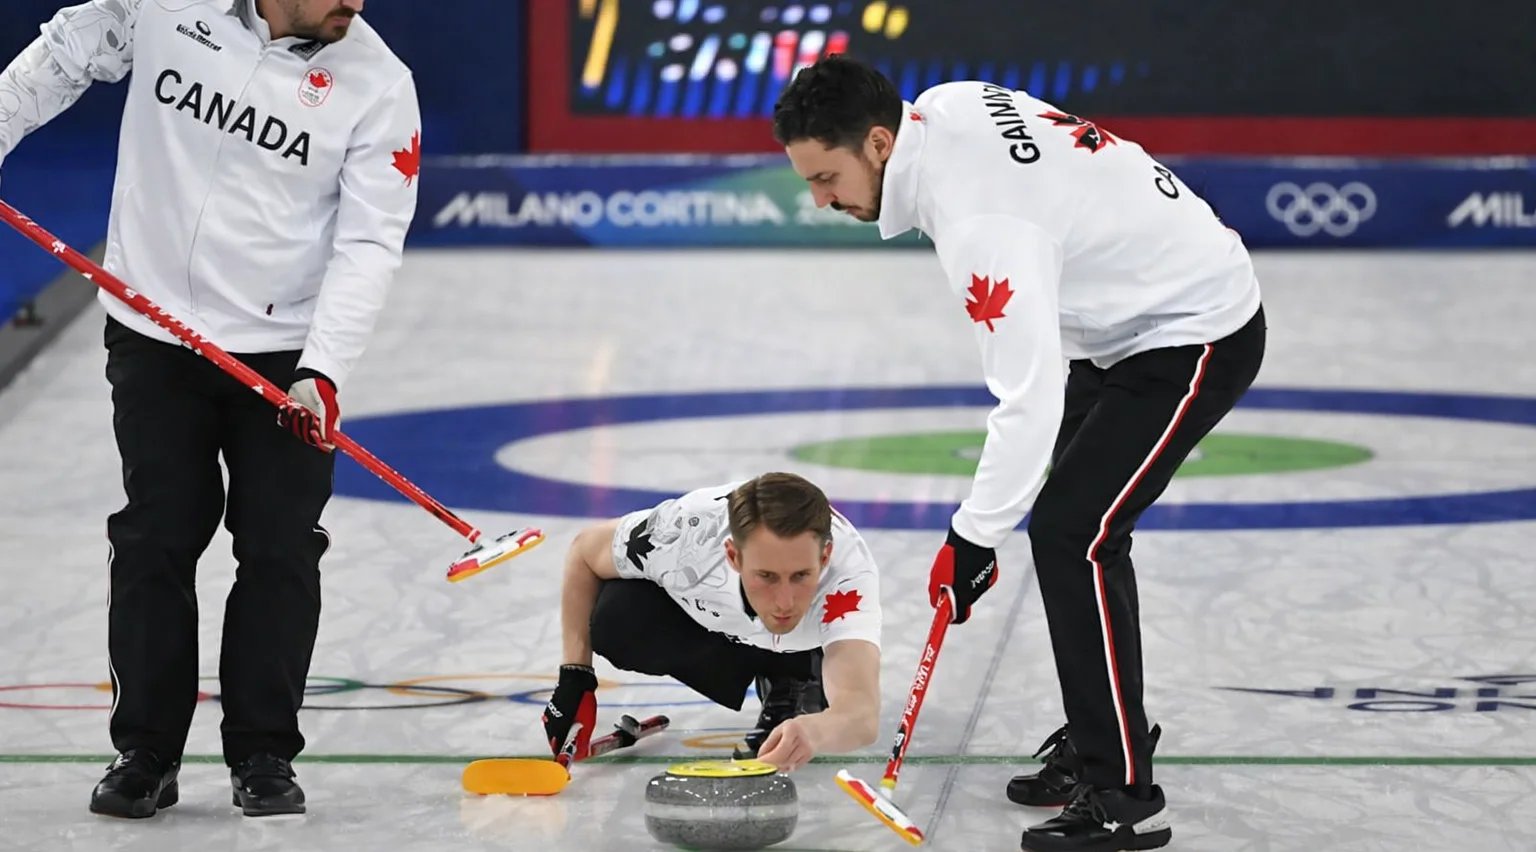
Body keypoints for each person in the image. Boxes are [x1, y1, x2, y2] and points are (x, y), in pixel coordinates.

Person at [772, 56, 1266, 852]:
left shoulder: (980, 228)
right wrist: (983, 532)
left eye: (827, 178)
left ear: (876, 142)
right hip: (1117, 327)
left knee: (1076, 533)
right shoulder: (941, 108)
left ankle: (1122, 791)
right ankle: (1102, 732)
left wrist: (972, 539)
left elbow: (1026, 400)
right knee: (1068, 526)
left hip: (1192, 330)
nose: (820, 200)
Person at [0, 0, 420, 818]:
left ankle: (263, 752)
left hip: (283, 359)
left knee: (280, 546)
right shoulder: (166, 5)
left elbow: (370, 241)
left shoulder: (378, 84)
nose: (356, 5)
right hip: (154, 333)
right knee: (156, 536)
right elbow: (70, 51)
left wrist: (324, 369)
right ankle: (144, 753)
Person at [542, 472, 883, 771]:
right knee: (617, 621)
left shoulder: (848, 577)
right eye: (766, 575)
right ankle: (762, 662)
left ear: (824, 557)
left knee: (802, 641)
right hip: (721, 621)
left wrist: (815, 730)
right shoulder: (681, 537)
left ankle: (795, 673)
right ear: (733, 556)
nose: (784, 601)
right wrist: (575, 677)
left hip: (805, 641)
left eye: (801, 576)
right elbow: (585, 551)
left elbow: (861, 712)